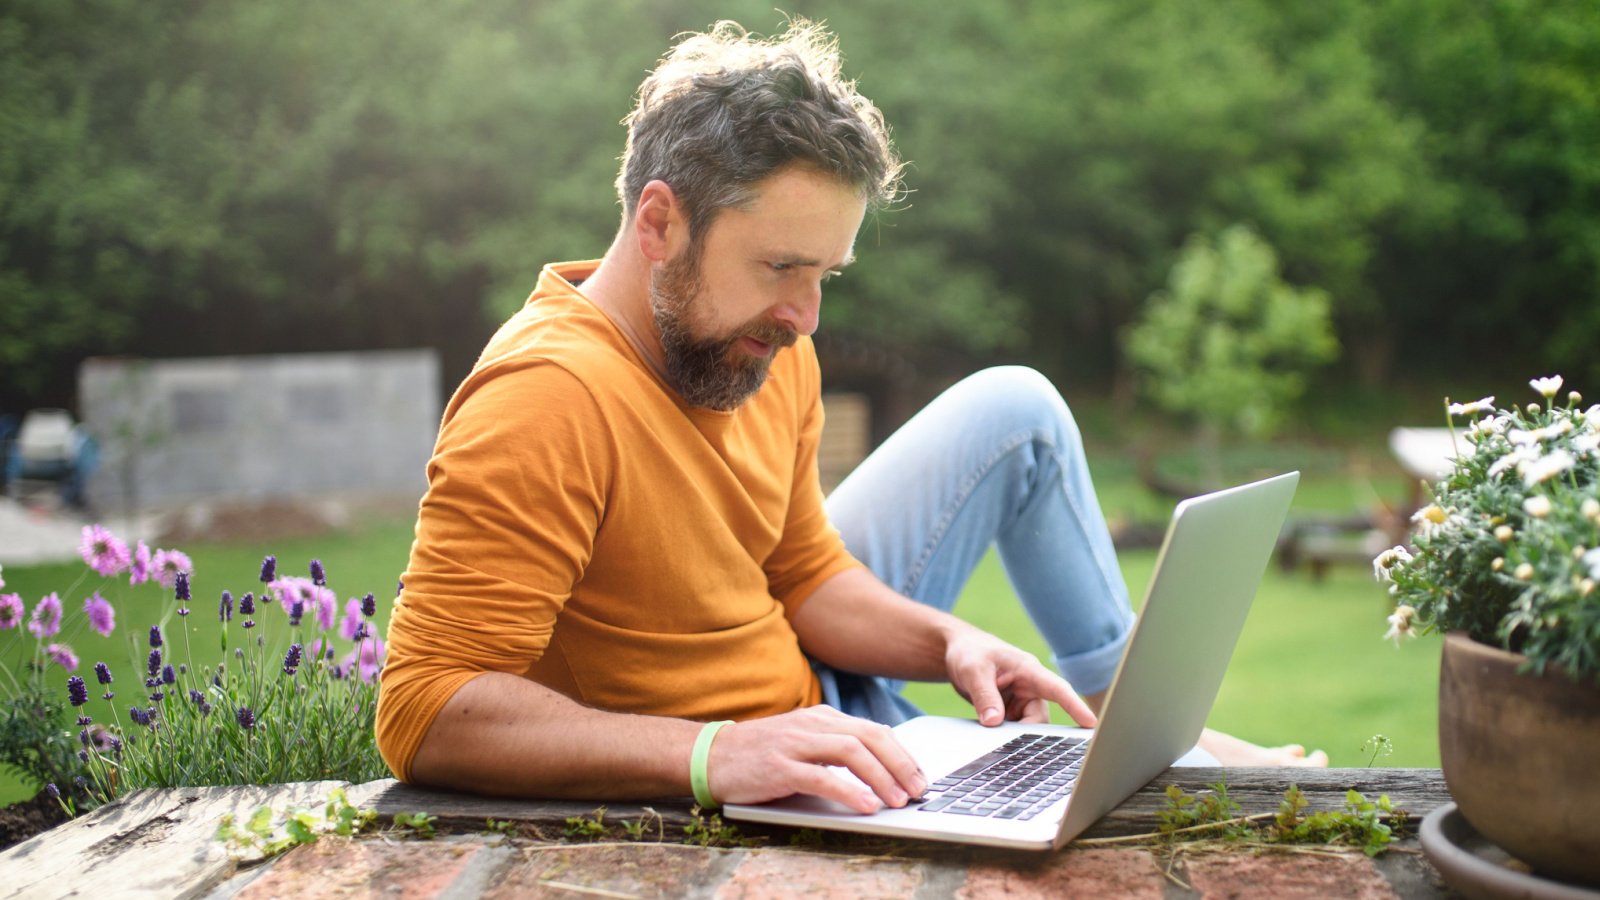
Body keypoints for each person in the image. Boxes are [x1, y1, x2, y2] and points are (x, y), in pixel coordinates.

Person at [375, 20, 1325, 815]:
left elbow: (803, 571)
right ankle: (1164, 756)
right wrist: (713, 757)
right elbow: (422, 706)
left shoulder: (758, 345)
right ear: (659, 225)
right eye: (782, 268)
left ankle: (1136, 729)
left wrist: (943, 640)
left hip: (830, 713)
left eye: (825, 276)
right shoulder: (547, 398)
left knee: (1020, 408)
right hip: (765, 761)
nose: (806, 318)